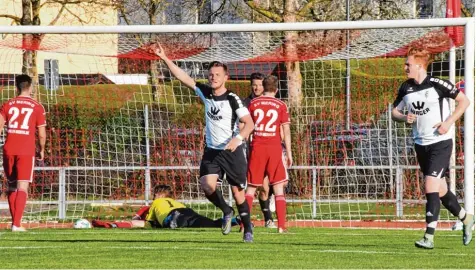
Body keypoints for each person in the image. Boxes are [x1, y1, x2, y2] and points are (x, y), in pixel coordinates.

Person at [152, 44, 255, 242]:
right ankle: (226, 210)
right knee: (207, 187)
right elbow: (183, 77)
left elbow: (249, 123)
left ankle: (248, 227)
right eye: (211, 74)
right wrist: (164, 58)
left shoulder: (233, 99)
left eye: (217, 74)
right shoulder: (205, 93)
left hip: (232, 151)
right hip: (212, 151)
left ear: (226, 77)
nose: (213, 77)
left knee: (238, 192)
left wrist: (238, 139)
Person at [391, 47, 474, 249]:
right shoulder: (406, 87)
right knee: (441, 190)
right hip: (421, 145)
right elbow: (394, 112)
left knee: (430, 186)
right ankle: (466, 218)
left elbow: (464, 101)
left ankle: (428, 237)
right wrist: (404, 117)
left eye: (408, 64)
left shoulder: (438, 84)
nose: (405, 67)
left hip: (440, 143)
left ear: (419, 65)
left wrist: (448, 122)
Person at [245, 75, 292, 233]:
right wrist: (289, 153)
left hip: (257, 147)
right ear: (277, 89)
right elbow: (286, 130)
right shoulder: (280, 105)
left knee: (251, 188)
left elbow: (245, 125)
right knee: (278, 188)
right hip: (274, 148)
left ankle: (245, 225)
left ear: (263, 88)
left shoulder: (253, 103)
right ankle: (281, 226)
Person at [0, 74, 46, 232]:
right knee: (22, 187)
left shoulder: (8, 104)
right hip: (25, 150)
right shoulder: (37, 106)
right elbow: (41, 134)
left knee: (12, 186)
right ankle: (17, 225)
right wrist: (42, 149)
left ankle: (15, 223)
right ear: (31, 87)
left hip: (8, 149)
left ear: (16, 87)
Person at [92, 185, 241, 229]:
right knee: (211, 225)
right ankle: (238, 220)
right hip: (186, 211)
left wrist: (121, 223)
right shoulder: (176, 201)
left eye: (155, 195)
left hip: (174, 218)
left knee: (145, 225)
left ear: (159, 195)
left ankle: (112, 225)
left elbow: (147, 224)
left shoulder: (155, 204)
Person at [242, 72, 276, 229]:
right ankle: (245, 221)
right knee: (246, 187)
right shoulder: (245, 103)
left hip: (264, 150)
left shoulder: (272, 103)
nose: (257, 88)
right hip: (246, 151)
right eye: (254, 85)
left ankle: (268, 218)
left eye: (260, 85)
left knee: (264, 187)